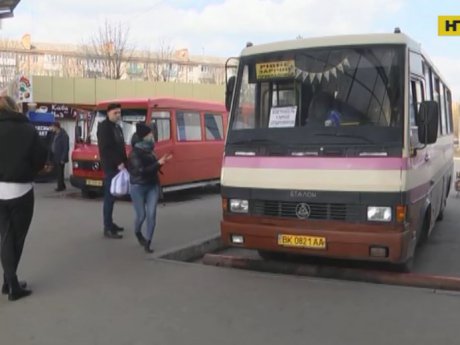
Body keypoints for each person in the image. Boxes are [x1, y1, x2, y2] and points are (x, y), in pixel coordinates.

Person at [0, 96, 47, 301]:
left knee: (5, 235)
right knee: (16, 238)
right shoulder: (27, 129)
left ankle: (8, 281)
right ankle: (13, 285)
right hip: (21, 189)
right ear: (15, 107)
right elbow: (40, 157)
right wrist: (29, 171)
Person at [127, 123, 172, 253]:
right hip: (138, 186)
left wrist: (162, 162)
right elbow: (141, 171)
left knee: (152, 214)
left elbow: (153, 168)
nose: (152, 136)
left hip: (152, 185)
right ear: (143, 137)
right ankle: (137, 232)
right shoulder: (134, 153)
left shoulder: (150, 149)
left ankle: (148, 242)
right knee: (141, 215)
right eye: (149, 134)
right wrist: (158, 163)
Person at [97, 103, 127, 239]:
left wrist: (125, 163)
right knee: (109, 197)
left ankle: (110, 223)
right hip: (111, 167)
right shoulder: (104, 128)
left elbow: (121, 147)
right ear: (108, 113)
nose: (118, 115)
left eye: (119, 113)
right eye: (115, 113)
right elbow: (106, 148)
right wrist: (118, 162)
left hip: (119, 166)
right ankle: (107, 227)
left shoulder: (118, 128)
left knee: (114, 196)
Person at [50, 121, 70, 191]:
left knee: (60, 172)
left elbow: (66, 147)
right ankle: (62, 185)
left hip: (60, 157)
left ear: (56, 127)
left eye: (52, 127)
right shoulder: (55, 134)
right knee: (59, 172)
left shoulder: (64, 135)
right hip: (56, 156)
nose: (51, 128)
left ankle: (60, 187)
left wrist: (63, 158)